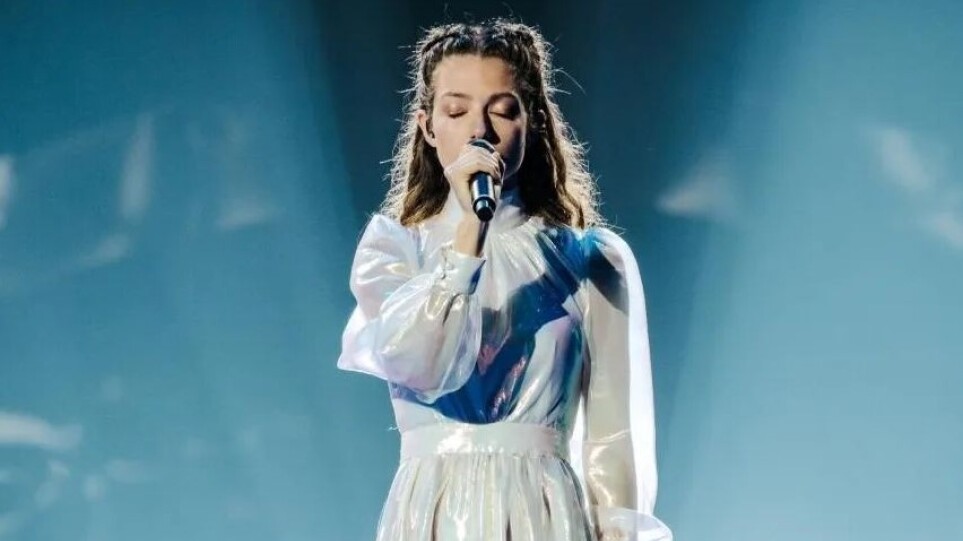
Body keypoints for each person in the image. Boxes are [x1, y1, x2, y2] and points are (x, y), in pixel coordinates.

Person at [337, 18, 673, 541]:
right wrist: (470, 234)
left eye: (501, 110)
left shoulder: (589, 259)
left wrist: (619, 530)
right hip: (433, 510)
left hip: (543, 511)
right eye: (457, 111)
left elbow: (615, 438)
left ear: (532, 120)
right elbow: (420, 363)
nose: (480, 131)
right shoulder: (393, 251)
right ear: (427, 126)